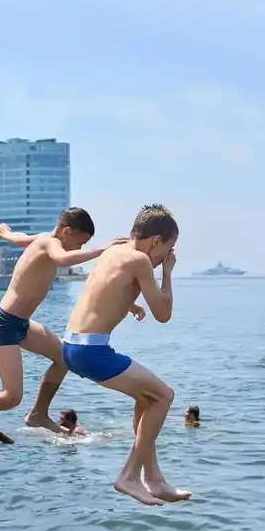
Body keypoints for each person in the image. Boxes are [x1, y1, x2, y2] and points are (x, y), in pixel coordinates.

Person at [0, 207, 126, 447]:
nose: (79, 250)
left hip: (21, 323)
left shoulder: (41, 239)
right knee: (11, 397)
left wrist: (7, 233)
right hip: (4, 324)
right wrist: (103, 249)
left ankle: (38, 414)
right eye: (79, 244)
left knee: (65, 357)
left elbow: (20, 239)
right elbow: (62, 259)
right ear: (66, 232)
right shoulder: (50, 244)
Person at [60, 203, 190, 506]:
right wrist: (168, 275)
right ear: (155, 241)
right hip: (90, 350)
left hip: (72, 345)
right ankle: (130, 476)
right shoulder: (140, 262)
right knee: (164, 396)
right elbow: (163, 314)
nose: (162, 260)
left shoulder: (113, 252)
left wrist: (128, 304)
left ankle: (154, 478)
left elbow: (102, 290)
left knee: (148, 398)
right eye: (166, 251)